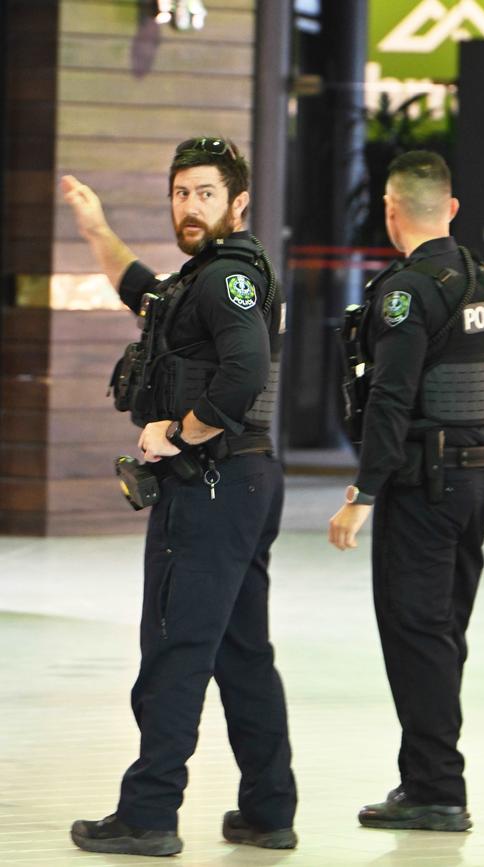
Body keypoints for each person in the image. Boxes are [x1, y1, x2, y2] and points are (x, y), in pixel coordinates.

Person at [61, 136, 297, 856]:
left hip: (213, 483)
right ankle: (266, 809)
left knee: (175, 646)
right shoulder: (203, 278)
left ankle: (150, 813)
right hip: (242, 479)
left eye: (205, 193)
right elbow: (144, 291)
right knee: (241, 651)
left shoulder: (230, 278)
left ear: (239, 202)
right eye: (180, 192)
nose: (189, 206)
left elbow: (245, 368)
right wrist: (97, 229)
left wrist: (176, 432)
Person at [329, 151, 484, 832]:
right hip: (476, 479)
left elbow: (391, 397)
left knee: (416, 633)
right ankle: (425, 777)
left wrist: (362, 493)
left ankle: (436, 788)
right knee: (441, 631)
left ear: (390, 209)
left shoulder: (408, 291)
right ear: (451, 208)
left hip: (424, 485)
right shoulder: (482, 280)